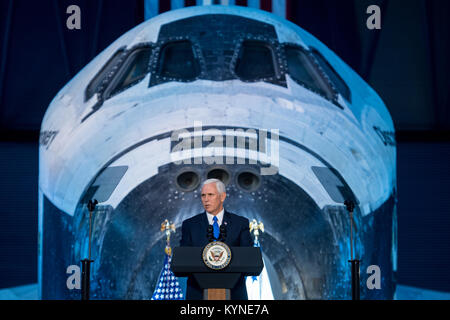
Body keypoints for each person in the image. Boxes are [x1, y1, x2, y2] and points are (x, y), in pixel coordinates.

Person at [180, 178, 253, 300]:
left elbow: (248, 257)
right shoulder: (190, 224)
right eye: (203, 195)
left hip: (234, 293)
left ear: (222, 197)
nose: (206, 199)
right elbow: (184, 258)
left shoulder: (240, 223)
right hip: (197, 293)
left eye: (210, 195)